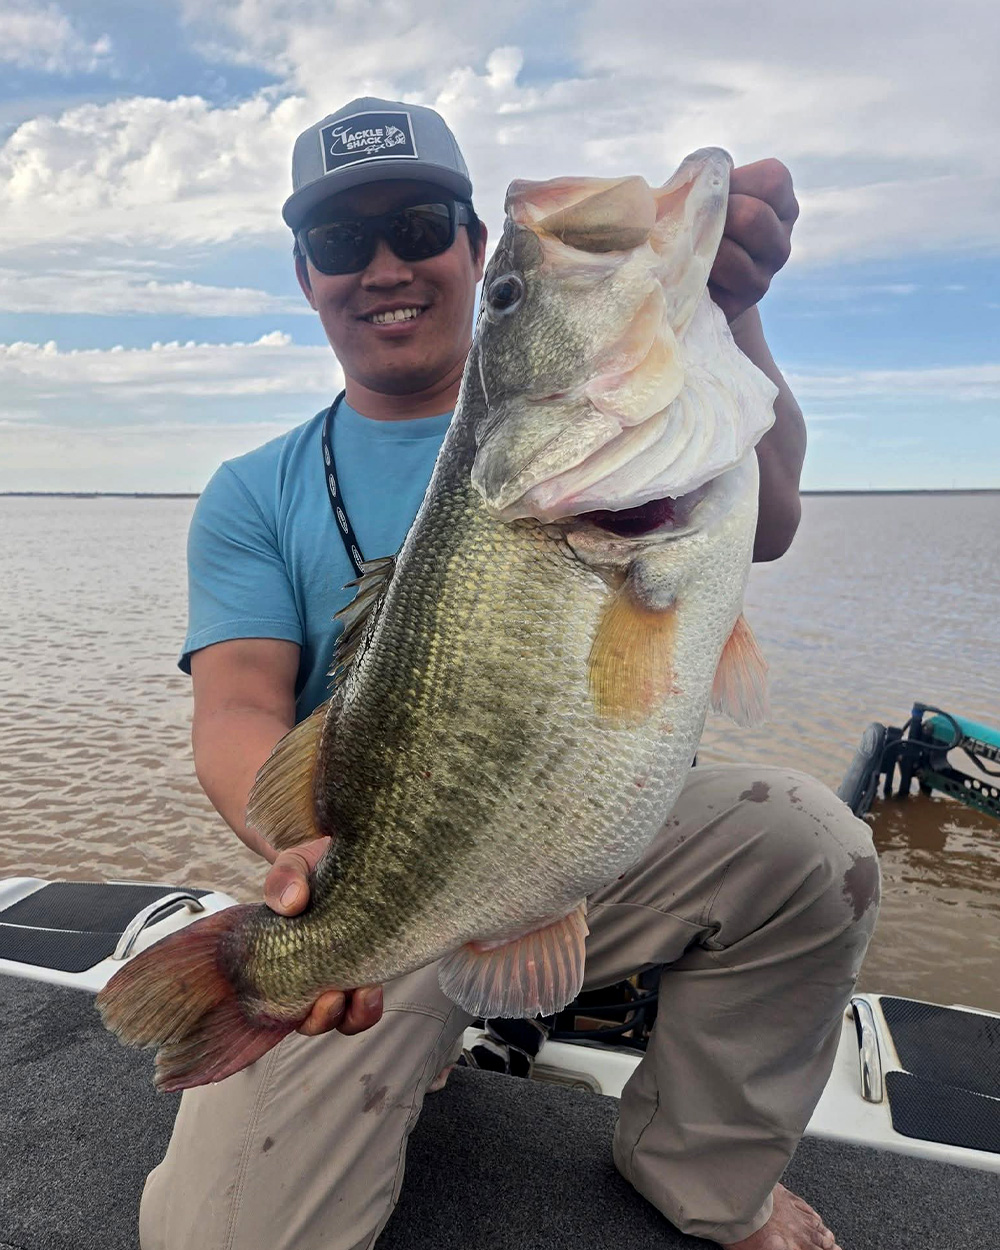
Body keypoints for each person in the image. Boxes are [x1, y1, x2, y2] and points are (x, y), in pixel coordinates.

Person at [139, 97, 879, 1250]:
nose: (384, 265)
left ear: (474, 248)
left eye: (419, 226)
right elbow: (236, 704)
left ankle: (705, 1173)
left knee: (810, 844)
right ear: (306, 275)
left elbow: (770, 519)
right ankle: (393, 1018)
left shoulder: (647, 440)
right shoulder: (252, 490)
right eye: (342, 240)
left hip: (587, 839)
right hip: (381, 885)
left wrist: (730, 306)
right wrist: (299, 864)